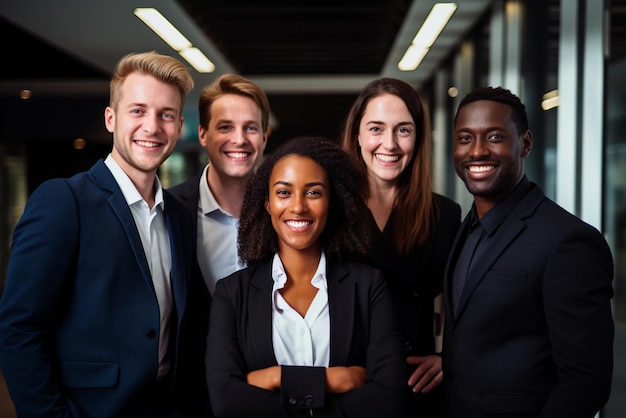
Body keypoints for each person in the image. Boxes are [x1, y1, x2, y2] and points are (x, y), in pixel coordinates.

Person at [0, 51, 209, 417]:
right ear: (111, 119)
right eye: (138, 110)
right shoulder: (64, 200)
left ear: (179, 125)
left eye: (167, 115)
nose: (152, 126)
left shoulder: (178, 214)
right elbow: (19, 329)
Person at [443, 86, 614, 418]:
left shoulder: (568, 241)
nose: (476, 151)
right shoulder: (465, 229)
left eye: (494, 137)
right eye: (465, 138)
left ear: (525, 144)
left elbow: (586, 381)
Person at [206, 136, 406, 417]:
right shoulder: (232, 293)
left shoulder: (369, 286)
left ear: (332, 203)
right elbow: (227, 402)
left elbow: (388, 398)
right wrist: (335, 380)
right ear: (267, 203)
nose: (298, 207)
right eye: (283, 193)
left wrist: (275, 379)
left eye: (313, 192)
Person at [341, 77, 461, 417]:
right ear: (358, 136)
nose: (389, 144)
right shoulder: (329, 210)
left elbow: (463, 304)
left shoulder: (444, 215)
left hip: (416, 387)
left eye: (403, 130)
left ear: (418, 138)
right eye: (376, 129)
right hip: (346, 382)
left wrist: (448, 357)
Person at [169, 73, 270, 296]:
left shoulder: (285, 210)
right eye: (225, 127)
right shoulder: (169, 209)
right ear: (203, 135)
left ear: (264, 138)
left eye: (251, 128)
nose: (239, 139)